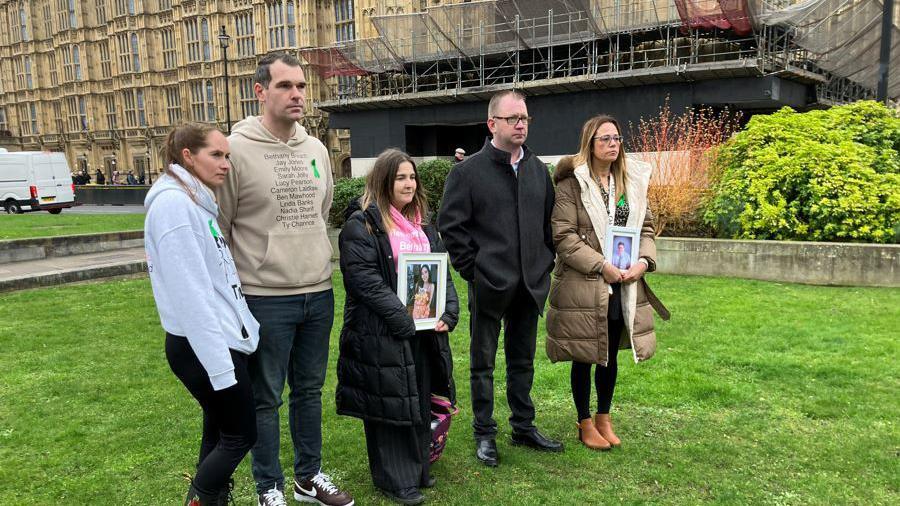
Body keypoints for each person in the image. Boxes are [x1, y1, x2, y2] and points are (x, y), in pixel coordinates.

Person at [214, 52, 353, 506]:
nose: (296, 94)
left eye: (301, 86)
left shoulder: (315, 150)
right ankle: (268, 486)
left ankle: (307, 477)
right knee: (266, 397)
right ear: (260, 92)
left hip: (317, 289)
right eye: (285, 86)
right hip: (264, 296)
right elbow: (224, 224)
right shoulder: (237, 151)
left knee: (309, 391)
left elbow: (322, 208)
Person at [438, 90, 562, 467]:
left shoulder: (538, 170)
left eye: (524, 117)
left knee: (523, 361)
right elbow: (451, 227)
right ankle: (484, 433)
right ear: (493, 123)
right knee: (483, 364)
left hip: (530, 285)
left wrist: (544, 263)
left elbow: (548, 225)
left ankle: (523, 426)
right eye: (513, 118)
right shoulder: (467, 172)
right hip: (489, 285)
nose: (521, 124)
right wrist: (474, 271)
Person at [144, 122, 260, 505]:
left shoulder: (196, 200)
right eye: (216, 154)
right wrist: (223, 369)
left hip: (220, 340)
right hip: (204, 345)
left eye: (227, 155)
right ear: (187, 156)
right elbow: (191, 297)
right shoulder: (175, 206)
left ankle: (212, 499)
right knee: (241, 434)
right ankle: (204, 495)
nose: (225, 163)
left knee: (220, 429)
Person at [337, 149, 459, 505]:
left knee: (418, 400)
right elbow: (365, 282)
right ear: (383, 182)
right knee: (389, 405)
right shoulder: (363, 225)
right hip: (382, 332)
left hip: (422, 333)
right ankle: (394, 479)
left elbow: (441, 274)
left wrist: (448, 313)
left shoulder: (424, 225)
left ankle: (419, 470)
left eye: (412, 177)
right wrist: (402, 318)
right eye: (400, 178)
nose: (408, 184)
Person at [546, 114, 668, 451]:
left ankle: (604, 417)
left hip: (624, 283)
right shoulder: (572, 185)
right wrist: (602, 266)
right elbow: (564, 236)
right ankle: (584, 421)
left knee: (610, 353)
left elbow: (645, 228)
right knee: (586, 353)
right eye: (605, 139)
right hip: (584, 284)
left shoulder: (628, 185)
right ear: (590, 143)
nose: (613, 145)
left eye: (616, 139)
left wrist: (644, 261)